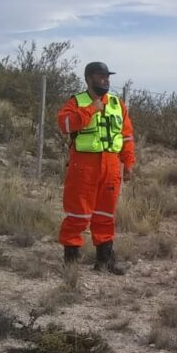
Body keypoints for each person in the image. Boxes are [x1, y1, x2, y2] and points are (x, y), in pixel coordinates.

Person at [57, 61, 135, 274]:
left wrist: (128, 162)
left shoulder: (117, 104)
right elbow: (64, 124)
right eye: (101, 76)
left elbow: (126, 136)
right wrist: (91, 109)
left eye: (107, 76)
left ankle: (105, 260)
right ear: (89, 79)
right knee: (78, 214)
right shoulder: (77, 102)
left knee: (105, 214)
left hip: (111, 165)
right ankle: (71, 261)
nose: (105, 80)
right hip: (84, 166)